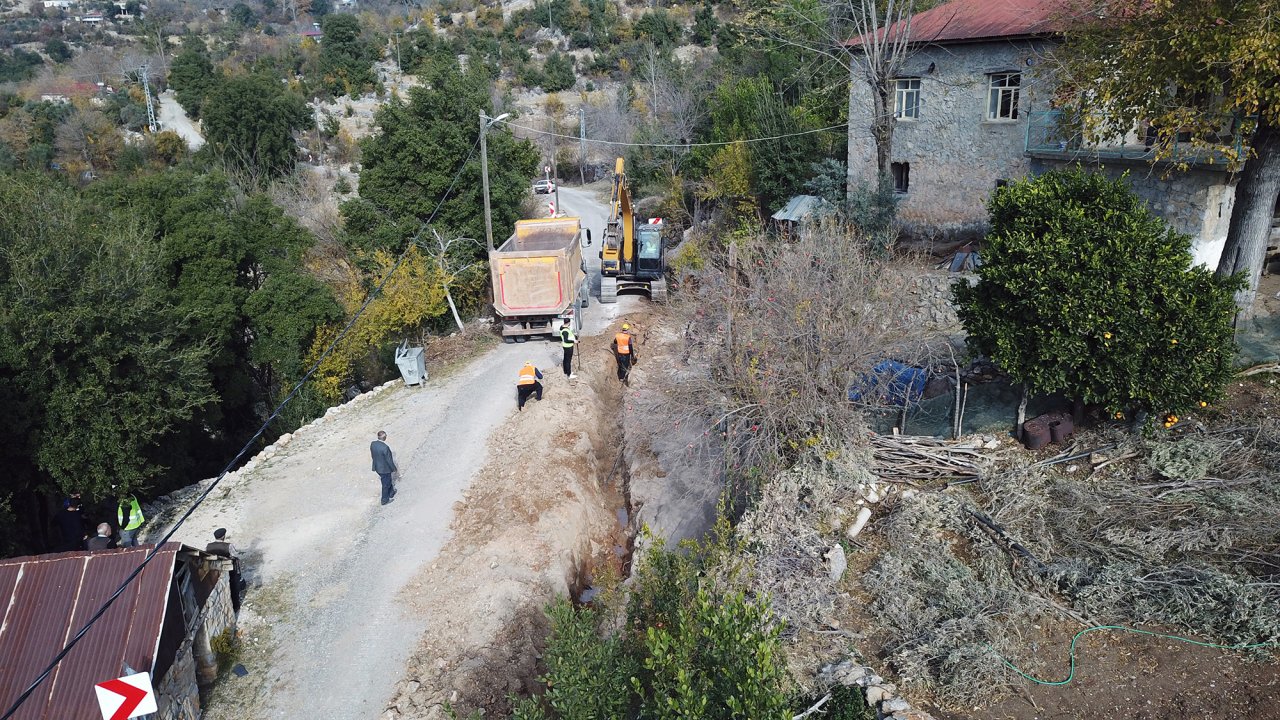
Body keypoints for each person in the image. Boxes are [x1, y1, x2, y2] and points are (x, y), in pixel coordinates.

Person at [206, 528, 246, 611]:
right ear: (223, 536)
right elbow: (236, 556)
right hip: (229, 569)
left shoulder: (208, 546)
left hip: (215, 570)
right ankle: (236, 607)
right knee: (233, 586)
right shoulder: (228, 546)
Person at [370, 431, 397, 506]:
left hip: (377, 466)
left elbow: (373, 455)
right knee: (385, 483)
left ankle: (391, 492)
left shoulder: (373, 444)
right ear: (384, 437)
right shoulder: (385, 448)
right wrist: (394, 468)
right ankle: (384, 500)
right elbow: (389, 460)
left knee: (387, 480)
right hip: (384, 469)